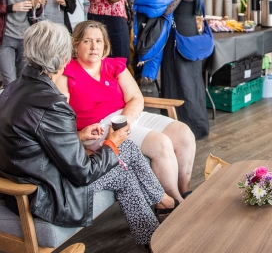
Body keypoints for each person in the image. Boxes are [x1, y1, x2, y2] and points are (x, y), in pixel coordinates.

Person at [0, 21, 176, 247]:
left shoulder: (13, 88)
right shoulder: (53, 104)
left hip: (30, 182)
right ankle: (159, 222)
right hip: (48, 195)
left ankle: (158, 220)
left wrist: (79, 136)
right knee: (123, 161)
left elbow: (35, 140)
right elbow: (83, 173)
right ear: (64, 58)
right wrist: (111, 143)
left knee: (127, 151)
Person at [55, 20, 196, 203]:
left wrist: (126, 120)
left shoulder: (114, 65)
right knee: (160, 143)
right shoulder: (66, 72)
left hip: (125, 117)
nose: (94, 46)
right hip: (98, 129)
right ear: (76, 45)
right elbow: (59, 116)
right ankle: (175, 203)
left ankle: (185, 190)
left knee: (184, 133)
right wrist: (77, 136)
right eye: (87, 41)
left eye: (99, 41)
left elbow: (136, 98)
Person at [161, 0, 210, 139]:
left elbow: (168, 8)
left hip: (178, 33)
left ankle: (180, 127)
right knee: (190, 80)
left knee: (178, 79)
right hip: (189, 31)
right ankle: (196, 124)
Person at [0, 0, 43, 87]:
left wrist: (38, 5)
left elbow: (36, 14)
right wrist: (13, 7)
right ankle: (8, 109)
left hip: (25, 37)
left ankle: (21, 109)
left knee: (24, 80)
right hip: (5, 38)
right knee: (9, 81)